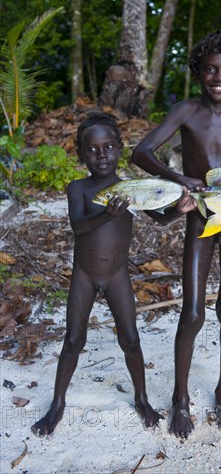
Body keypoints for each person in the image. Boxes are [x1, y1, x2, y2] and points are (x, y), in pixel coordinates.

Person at [31, 112, 195, 436]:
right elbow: (78, 227)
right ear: (81, 154)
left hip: (117, 274)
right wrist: (107, 214)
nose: (101, 155)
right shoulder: (77, 188)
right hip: (85, 275)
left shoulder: (131, 189)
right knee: (74, 340)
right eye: (92, 150)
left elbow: (159, 218)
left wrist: (179, 210)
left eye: (108, 147)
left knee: (130, 339)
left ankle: (142, 399)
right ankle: (57, 405)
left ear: (119, 148)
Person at [132, 30, 221, 439]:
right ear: (198, 74)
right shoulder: (186, 111)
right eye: (210, 70)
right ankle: (180, 399)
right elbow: (141, 152)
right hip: (201, 220)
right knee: (192, 312)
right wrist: (180, 179)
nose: (218, 77)